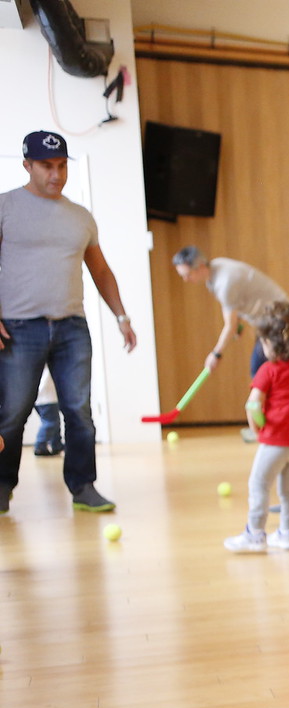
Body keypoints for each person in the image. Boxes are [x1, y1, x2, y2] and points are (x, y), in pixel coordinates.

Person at [0, 131, 136, 515]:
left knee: (79, 412)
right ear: (27, 165)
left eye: (61, 166)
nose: (56, 174)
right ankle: (2, 486)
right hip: (18, 328)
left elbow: (101, 271)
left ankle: (83, 486)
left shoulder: (80, 217)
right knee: (12, 413)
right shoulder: (6, 207)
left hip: (71, 327)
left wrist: (122, 316)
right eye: (47, 166)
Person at [172, 245, 289, 443]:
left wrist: (216, 354)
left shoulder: (224, 282)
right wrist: (238, 325)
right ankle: (266, 428)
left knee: (262, 373)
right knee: (261, 373)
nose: (186, 280)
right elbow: (241, 304)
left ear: (200, 266)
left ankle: (268, 429)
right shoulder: (214, 273)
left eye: (187, 274)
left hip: (279, 321)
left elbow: (229, 324)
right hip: (267, 322)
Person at [223, 303, 289, 553]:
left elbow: (253, 405)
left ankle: (254, 534)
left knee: (259, 485)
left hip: (275, 442)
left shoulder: (269, 370)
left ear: (270, 343)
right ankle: (287, 533)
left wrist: (256, 429)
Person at [33, 369, 63, 456]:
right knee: (50, 422)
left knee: (54, 422)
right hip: (47, 397)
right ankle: (40, 445)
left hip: (42, 397)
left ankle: (56, 444)